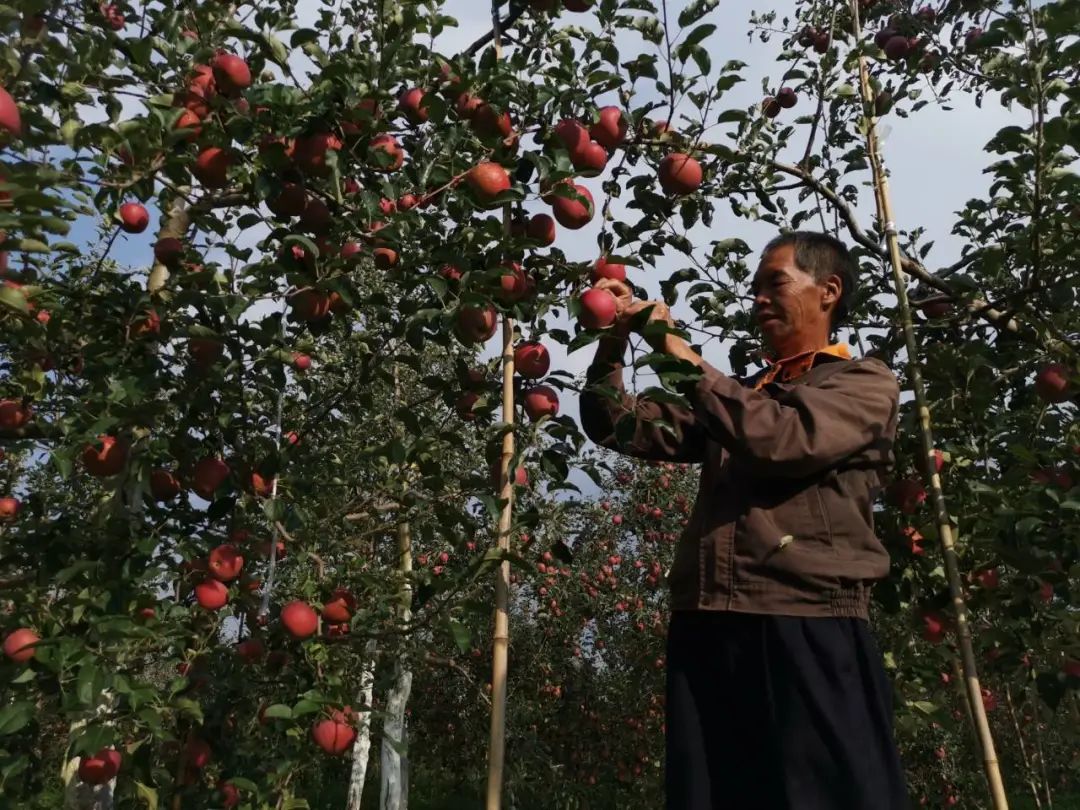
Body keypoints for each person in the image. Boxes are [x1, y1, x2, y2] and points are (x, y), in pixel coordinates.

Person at [578, 231, 909, 810]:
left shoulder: (862, 383)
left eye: (774, 282)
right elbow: (619, 426)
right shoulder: (742, 397)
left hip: (803, 619)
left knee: (826, 795)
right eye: (754, 287)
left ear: (829, 291)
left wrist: (676, 350)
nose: (758, 298)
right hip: (708, 622)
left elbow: (783, 440)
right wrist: (614, 343)